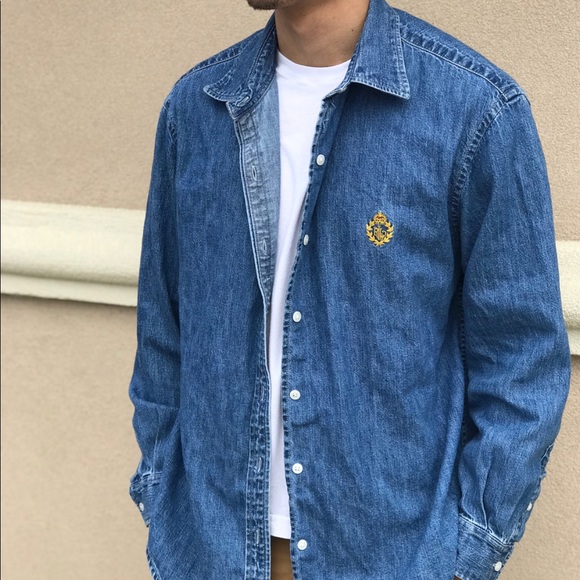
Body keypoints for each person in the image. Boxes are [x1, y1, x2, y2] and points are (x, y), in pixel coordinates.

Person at [127, 0, 571, 578]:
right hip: (213, 549)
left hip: (390, 557)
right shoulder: (196, 109)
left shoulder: (474, 110)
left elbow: (522, 360)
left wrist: (467, 553)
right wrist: (162, 495)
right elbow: (163, 332)